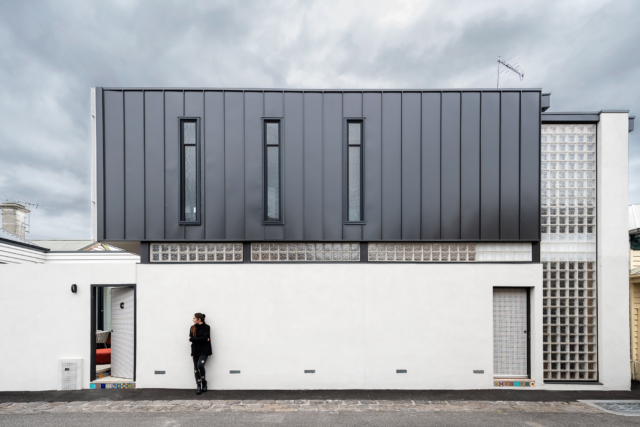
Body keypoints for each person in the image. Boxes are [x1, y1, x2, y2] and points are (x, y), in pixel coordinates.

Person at [189, 312, 212, 395]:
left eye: (194, 318)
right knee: (196, 369)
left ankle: (204, 381)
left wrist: (194, 339)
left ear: (199, 319)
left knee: (200, 365)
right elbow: (202, 339)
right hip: (195, 350)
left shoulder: (207, 327)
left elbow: (203, 338)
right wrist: (203, 339)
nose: (193, 320)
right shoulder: (192, 327)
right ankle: (199, 385)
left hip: (204, 350)